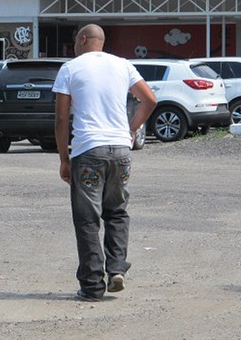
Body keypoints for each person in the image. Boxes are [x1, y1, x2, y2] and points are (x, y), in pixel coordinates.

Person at [52, 24, 157, 302]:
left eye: (76, 38)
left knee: (87, 219)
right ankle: (117, 269)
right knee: (117, 212)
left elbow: (62, 119)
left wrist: (64, 158)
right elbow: (149, 99)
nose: (75, 43)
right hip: (121, 150)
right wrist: (130, 130)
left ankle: (92, 286)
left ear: (83, 39)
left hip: (89, 151)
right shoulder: (123, 65)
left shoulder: (70, 68)